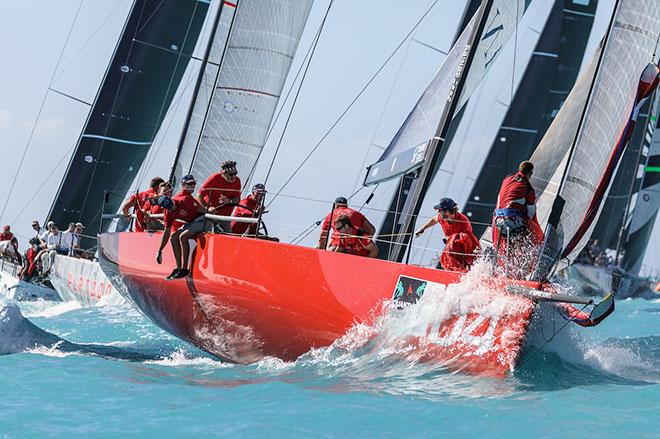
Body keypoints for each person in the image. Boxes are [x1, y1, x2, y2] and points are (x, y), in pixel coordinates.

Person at [492, 161, 544, 278]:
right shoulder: (529, 188)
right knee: (532, 235)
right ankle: (520, 272)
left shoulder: (507, 179)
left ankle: (506, 271)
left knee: (512, 237)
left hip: (497, 221)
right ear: (530, 173)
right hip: (511, 222)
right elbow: (530, 213)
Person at [156, 174, 208, 280]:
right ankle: (179, 267)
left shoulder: (185, 200)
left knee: (183, 236)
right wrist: (160, 250)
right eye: (170, 208)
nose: (173, 208)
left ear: (172, 200)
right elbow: (167, 232)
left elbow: (204, 212)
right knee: (173, 237)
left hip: (203, 221)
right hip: (191, 223)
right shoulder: (168, 212)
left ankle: (185, 269)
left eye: (173, 205)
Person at [415, 198, 480, 272]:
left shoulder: (463, 222)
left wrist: (451, 239)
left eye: (440, 210)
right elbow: (434, 219)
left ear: (447, 212)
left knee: (454, 260)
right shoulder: (442, 217)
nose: (438, 212)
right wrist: (422, 229)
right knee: (447, 261)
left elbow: (467, 240)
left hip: (464, 252)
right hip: (452, 250)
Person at [197, 160, 241, 233]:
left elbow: (237, 200)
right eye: (230, 174)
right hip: (211, 215)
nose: (233, 176)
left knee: (229, 237)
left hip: (225, 217)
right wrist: (207, 208)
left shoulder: (237, 181)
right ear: (223, 173)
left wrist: (229, 201)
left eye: (235, 173)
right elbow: (199, 196)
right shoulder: (214, 178)